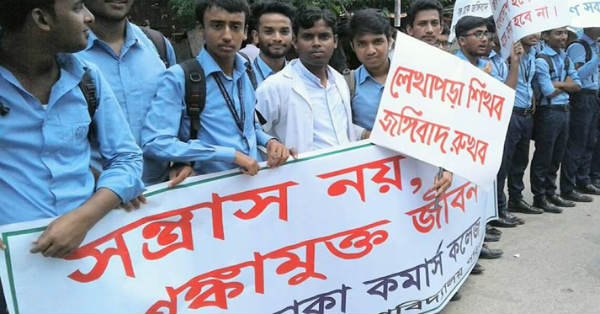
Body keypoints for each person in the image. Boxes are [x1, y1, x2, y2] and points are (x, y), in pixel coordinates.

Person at [0, 3, 144, 311]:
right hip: (9, 277)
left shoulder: (88, 78)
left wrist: (84, 218)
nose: (89, 16)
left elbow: (128, 158)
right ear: (41, 18)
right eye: (78, 7)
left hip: (90, 262)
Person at [141, 0, 290, 177]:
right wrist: (229, 154)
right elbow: (155, 142)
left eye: (235, 27)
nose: (227, 35)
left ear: (244, 32)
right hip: (209, 192)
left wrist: (270, 141)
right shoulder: (180, 77)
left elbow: (248, 126)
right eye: (217, 25)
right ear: (201, 30)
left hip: (252, 187)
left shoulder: (247, 71)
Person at [77, 0, 186, 190]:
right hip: (96, 203)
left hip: (163, 195)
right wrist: (112, 191)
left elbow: (175, 114)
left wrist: (182, 161)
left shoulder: (157, 45)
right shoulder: (67, 56)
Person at [346, 7, 452, 197]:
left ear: (390, 41)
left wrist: (447, 166)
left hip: (418, 176)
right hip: (372, 181)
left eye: (378, 41)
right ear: (353, 47)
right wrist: (365, 134)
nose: (371, 50)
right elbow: (341, 126)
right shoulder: (347, 84)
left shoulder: (419, 78)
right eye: (362, 44)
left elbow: (440, 124)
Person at [255, 6, 364, 155]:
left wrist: (363, 134)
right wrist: (274, 148)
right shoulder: (274, 87)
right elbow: (253, 134)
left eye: (324, 36)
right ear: (295, 42)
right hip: (301, 175)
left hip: (344, 173)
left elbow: (340, 130)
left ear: (335, 41)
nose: (316, 43)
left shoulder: (339, 81)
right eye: (308, 37)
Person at [531, 27, 582, 213]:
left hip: (564, 110)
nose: (563, 37)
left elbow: (578, 85)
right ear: (545, 36)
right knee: (544, 156)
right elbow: (548, 91)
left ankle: (551, 193)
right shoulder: (542, 60)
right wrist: (566, 83)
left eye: (565, 33)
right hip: (549, 112)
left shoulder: (565, 57)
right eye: (558, 33)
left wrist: (559, 83)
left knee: (557, 156)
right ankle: (540, 197)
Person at [499, 34, 545, 218]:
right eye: (530, 31)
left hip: (526, 113)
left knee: (521, 160)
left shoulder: (533, 53)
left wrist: (531, 97)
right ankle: (499, 206)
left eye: (538, 31)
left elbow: (527, 81)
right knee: (505, 162)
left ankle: (516, 199)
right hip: (512, 113)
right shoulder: (507, 55)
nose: (536, 35)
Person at [560, 27, 600, 198]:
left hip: (593, 96)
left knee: (590, 140)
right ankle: (570, 186)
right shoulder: (579, 46)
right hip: (581, 96)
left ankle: (584, 179)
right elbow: (577, 75)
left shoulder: (594, 46)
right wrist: (597, 59)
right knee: (577, 141)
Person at [248, 0, 295, 86]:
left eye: (284, 32)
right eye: (269, 32)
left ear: (293, 36)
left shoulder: (300, 76)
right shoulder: (243, 78)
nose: (277, 38)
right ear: (256, 36)